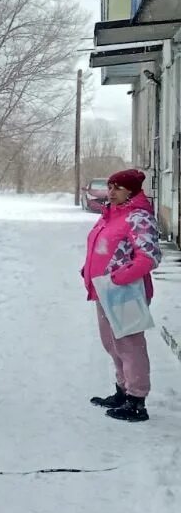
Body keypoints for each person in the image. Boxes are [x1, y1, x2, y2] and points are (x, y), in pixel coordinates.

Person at [82, 168, 161, 423]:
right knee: (112, 344)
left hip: (126, 292)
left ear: (132, 191)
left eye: (118, 187)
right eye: (110, 186)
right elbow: (101, 246)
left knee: (130, 347)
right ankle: (122, 391)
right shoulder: (111, 214)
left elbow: (149, 257)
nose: (111, 192)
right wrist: (89, 268)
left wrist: (117, 278)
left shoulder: (138, 217)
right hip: (105, 289)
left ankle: (137, 401)